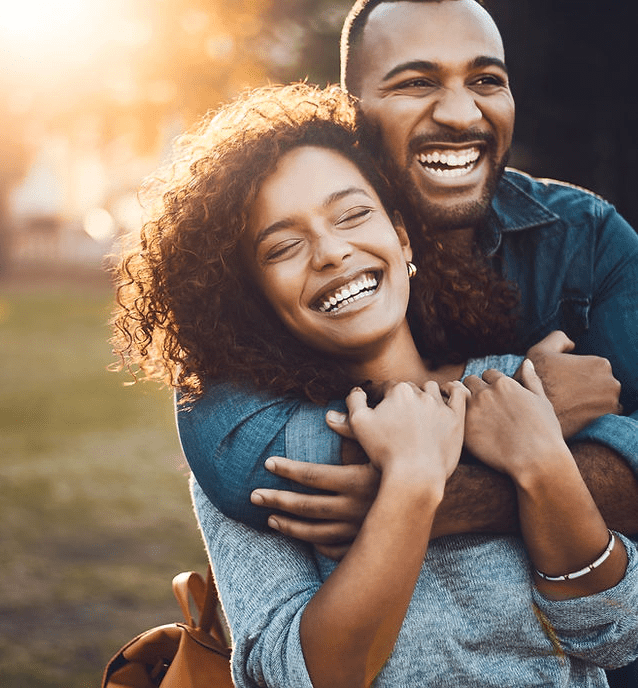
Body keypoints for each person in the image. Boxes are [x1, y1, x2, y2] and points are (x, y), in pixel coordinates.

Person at [113, 83, 638, 687]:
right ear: (252, 297)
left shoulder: (514, 387)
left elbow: (616, 634)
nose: (332, 252)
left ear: (402, 237)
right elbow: (300, 677)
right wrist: (411, 484)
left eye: (352, 215)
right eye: (284, 246)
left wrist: (541, 462)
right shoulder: (265, 457)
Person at [176, 0, 638, 563]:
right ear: (353, 112)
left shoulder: (584, 236)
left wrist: (464, 496)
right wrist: (529, 412)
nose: (463, 114)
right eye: (417, 82)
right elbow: (242, 458)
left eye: (486, 80)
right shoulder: (281, 249)